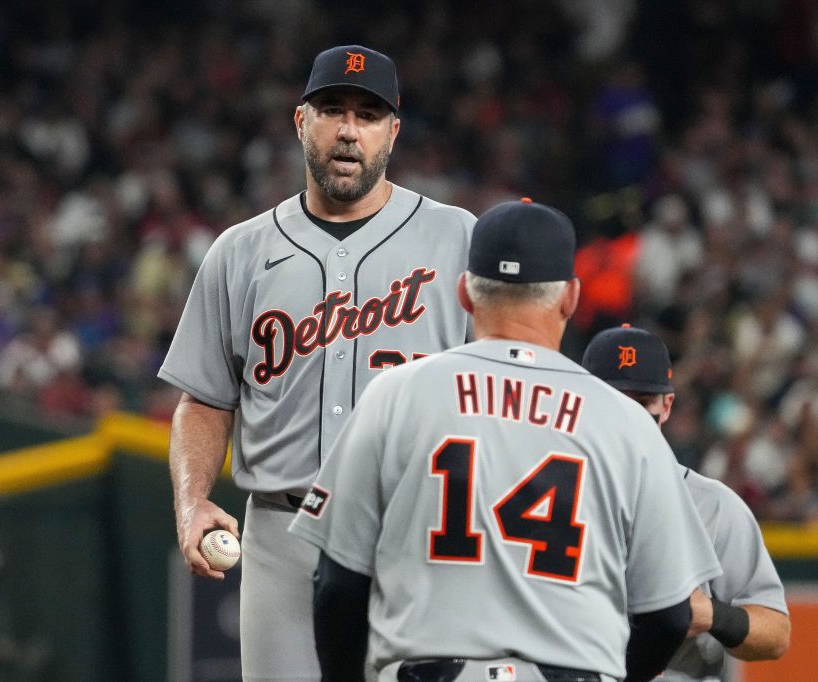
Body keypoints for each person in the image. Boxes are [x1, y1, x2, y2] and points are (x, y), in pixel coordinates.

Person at [289, 199, 722, 682]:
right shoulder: (627, 422)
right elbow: (669, 616)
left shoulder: (396, 394)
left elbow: (337, 586)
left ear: (464, 293)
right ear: (571, 297)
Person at [158, 45, 476, 681]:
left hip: (419, 535)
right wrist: (193, 500)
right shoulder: (239, 253)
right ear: (301, 120)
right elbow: (205, 401)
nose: (349, 130)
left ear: (394, 130)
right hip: (282, 535)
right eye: (333, 109)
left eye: (368, 114)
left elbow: (509, 387)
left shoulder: (459, 239)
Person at [582, 324, 791, 681]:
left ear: (666, 405)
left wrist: (711, 614)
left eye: (642, 402)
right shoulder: (550, 494)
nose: (629, 415)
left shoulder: (713, 506)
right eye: (613, 399)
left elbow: (775, 634)